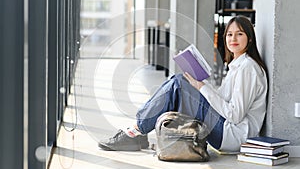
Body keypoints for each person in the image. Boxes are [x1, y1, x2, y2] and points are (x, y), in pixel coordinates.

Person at [98, 15, 268, 152]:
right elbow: (223, 99)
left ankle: (135, 131)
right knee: (177, 81)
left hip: (232, 135)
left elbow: (235, 115)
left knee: (178, 84)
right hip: (225, 128)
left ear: (250, 39)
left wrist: (201, 87)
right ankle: (139, 130)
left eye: (240, 34)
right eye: (229, 34)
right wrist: (201, 84)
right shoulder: (237, 66)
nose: (233, 38)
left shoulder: (248, 69)